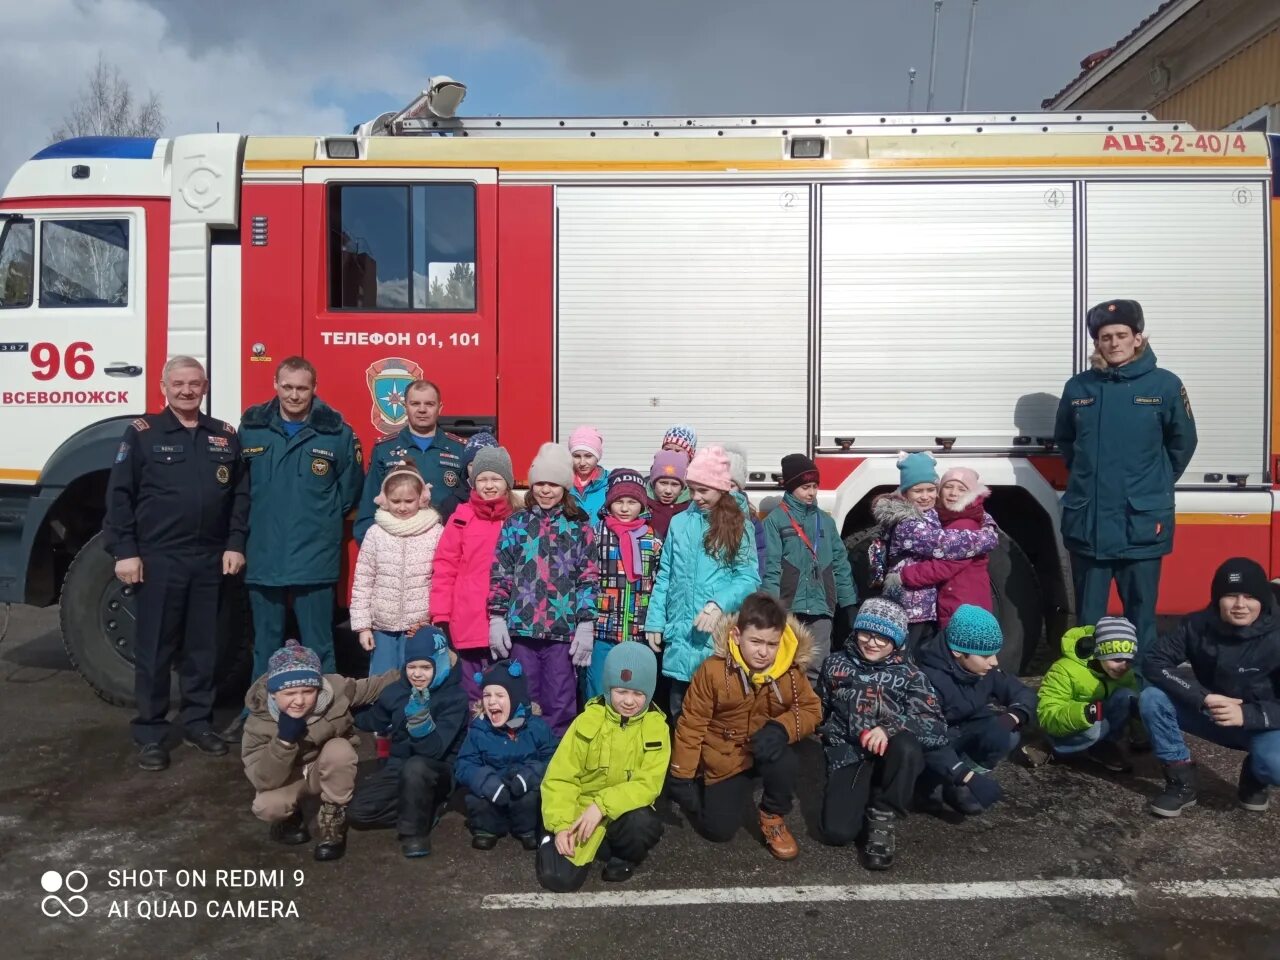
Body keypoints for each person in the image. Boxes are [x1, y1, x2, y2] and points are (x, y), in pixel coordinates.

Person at [103, 355, 249, 771]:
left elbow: (240, 495)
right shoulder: (143, 434)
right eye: (179, 383)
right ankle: (150, 731)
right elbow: (119, 496)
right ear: (163, 387)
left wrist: (235, 543)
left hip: (210, 558)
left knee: (204, 648)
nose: (187, 390)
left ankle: (198, 723)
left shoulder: (223, 435)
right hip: (159, 558)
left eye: (195, 383)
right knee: (155, 649)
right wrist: (125, 551)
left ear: (205, 387)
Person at [229, 357, 364, 744]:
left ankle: (332, 713)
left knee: (319, 643)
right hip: (264, 552)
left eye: (301, 388)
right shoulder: (251, 428)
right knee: (265, 643)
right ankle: (257, 712)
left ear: (314, 388)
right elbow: (240, 488)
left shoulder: (336, 433)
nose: (293, 395)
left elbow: (349, 489)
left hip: (314, 555)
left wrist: (317, 520)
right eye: (287, 386)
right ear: (275, 383)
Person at [1054, 299, 1198, 664]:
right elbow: (1067, 442)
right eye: (1105, 337)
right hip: (1090, 527)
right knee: (1086, 626)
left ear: (1138, 338)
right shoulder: (1078, 388)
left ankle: (1142, 700)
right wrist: (1090, 481)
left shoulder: (1165, 386)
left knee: (1142, 619)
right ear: (1096, 343)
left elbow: (1183, 442)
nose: (1114, 343)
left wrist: (1155, 484)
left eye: (1122, 335)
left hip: (1141, 526)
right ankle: (1085, 702)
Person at [666, 592, 822, 860]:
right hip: (725, 754)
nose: (764, 652)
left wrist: (782, 728)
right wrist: (682, 775)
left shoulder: (791, 671)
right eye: (756, 641)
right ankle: (709, 785)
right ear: (737, 636)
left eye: (772, 644)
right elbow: (692, 724)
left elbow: (811, 709)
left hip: (764, 746)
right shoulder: (713, 671)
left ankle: (772, 814)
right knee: (718, 831)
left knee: (786, 761)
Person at [1140, 558, 1280, 818]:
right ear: (1217, 599)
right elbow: (1154, 661)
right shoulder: (1196, 624)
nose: (1240, 605)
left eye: (1249, 596)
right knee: (1152, 698)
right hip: (1210, 711)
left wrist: (1248, 715)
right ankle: (1181, 780)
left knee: (1276, 764)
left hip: (1263, 722)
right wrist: (1202, 697)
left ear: (1262, 598)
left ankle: (1256, 774)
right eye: (1230, 596)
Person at [818, 598, 947, 870]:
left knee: (908, 748)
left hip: (893, 753)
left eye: (883, 637)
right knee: (836, 833)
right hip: (850, 753)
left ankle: (884, 812)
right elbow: (820, 707)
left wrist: (889, 728)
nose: (872, 643)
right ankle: (860, 794)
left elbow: (935, 727)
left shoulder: (912, 675)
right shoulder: (834, 664)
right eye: (866, 633)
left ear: (897, 641)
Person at [241, 640, 397, 861]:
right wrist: (284, 741)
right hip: (287, 778)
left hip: (323, 767)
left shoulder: (336, 690)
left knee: (340, 750)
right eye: (290, 693)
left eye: (308, 691)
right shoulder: (258, 722)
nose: (299, 700)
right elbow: (263, 780)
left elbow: (375, 686)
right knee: (267, 805)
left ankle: (333, 815)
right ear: (273, 693)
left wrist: (420, 669)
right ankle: (289, 818)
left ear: (319, 687)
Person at [537, 643, 669, 890]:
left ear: (649, 692)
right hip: (580, 810)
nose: (629, 701)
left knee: (644, 823)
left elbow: (648, 784)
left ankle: (623, 856)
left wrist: (602, 805)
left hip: (619, 812)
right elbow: (560, 778)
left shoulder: (657, 728)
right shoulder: (587, 720)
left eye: (638, 694)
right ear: (608, 687)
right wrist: (562, 824)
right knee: (557, 879)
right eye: (621, 691)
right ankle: (548, 833)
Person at [644, 445, 762, 719]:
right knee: (679, 713)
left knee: (715, 716)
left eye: (703, 490)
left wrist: (718, 604)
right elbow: (666, 574)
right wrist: (655, 619)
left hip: (716, 638)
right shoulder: (679, 522)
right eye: (693, 489)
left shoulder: (738, 524)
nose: (696, 497)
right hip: (681, 634)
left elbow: (748, 576)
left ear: (721, 488)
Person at [489, 443, 597, 735]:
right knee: (524, 696)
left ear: (564, 487)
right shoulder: (517, 524)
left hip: (562, 633)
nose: (546, 490)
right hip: (522, 630)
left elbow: (588, 576)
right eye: (540, 483)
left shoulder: (580, 527)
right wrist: (497, 616)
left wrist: (586, 622)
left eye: (553, 484)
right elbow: (501, 572)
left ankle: (555, 760)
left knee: (560, 700)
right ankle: (524, 755)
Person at [347, 628, 468, 857]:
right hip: (399, 767)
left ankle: (414, 833)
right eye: (412, 667)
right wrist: (343, 714)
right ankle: (422, 808)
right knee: (358, 813)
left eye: (426, 667)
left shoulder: (454, 698)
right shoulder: (397, 691)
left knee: (416, 767)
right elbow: (373, 720)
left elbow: (434, 750)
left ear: (440, 664)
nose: (417, 674)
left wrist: (420, 721)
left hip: (436, 770)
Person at [916, 605, 1037, 815]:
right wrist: (962, 773)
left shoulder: (981, 669)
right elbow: (927, 740)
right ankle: (931, 784)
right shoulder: (927, 680)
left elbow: (1022, 692)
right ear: (958, 652)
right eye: (986, 655)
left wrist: (1013, 716)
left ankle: (957, 786)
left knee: (1005, 735)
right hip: (932, 745)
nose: (994, 662)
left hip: (962, 734)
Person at [874, 451, 997, 654]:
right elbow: (941, 544)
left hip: (926, 605)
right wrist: (987, 537)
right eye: (918, 491)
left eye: (931, 490)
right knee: (909, 656)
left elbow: (972, 512)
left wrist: (987, 521)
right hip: (910, 605)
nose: (925, 496)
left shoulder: (933, 514)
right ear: (905, 494)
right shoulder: (909, 523)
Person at [430, 445, 522, 703]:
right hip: (468, 617)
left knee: (505, 686)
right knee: (472, 689)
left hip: (507, 620)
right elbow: (444, 567)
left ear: (507, 483)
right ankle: (474, 736)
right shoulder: (460, 518)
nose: (489, 485)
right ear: (472, 482)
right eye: (482, 479)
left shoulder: (517, 519)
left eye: (495, 479)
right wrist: (441, 614)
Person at [763, 453, 858, 685]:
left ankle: (813, 715)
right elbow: (771, 567)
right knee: (784, 661)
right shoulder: (775, 520)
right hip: (788, 605)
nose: (812, 492)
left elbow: (839, 563)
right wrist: (770, 607)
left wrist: (849, 603)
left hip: (821, 605)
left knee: (818, 664)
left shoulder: (825, 522)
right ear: (791, 486)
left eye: (815, 486)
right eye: (805, 487)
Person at [349, 463, 444, 677]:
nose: (402, 507)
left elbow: (442, 579)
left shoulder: (435, 532)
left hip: (420, 624)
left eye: (409, 501)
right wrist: (363, 627)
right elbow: (363, 581)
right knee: (382, 681)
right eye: (396, 501)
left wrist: (436, 619)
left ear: (421, 499)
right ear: (384, 500)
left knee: (419, 677)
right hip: (382, 625)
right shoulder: (376, 533)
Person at [455, 659, 558, 851]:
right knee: (479, 800)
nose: (492, 701)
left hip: (523, 790)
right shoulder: (479, 729)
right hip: (494, 793)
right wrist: (484, 781)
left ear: (516, 697)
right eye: (487, 695)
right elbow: (464, 765)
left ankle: (527, 830)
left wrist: (533, 774)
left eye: (500, 695)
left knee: (533, 799)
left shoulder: (536, 727)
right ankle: (487, 830)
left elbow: (554, 758)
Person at [355, 379, 468, 540]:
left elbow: (470, 507)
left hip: (445, 545)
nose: (422, 410)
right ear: (405, 407)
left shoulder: (460, 450)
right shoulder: (384, 449)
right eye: (415, 403)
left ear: (439, 408)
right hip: (395, 545)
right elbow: (368, 509)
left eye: (429, 404)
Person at [586, 468, 663, 700]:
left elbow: (660, 581)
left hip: (639, 631)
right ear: (609, 503)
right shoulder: (596, 535)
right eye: (619, 501)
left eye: (631, 502)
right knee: (599, 689)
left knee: (635, 692)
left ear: (642, 504)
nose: (625, 507)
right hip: (603, 630)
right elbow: (587, 577)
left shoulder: (653, 538)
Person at [1038, 617, 1141, 773]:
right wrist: (1083, 714)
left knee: (1127, 696)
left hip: (1097, 720)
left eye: (1129, 660)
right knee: (1098, 727)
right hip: (1068, 727)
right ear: (1099, 652)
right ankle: (1052, 747)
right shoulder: (1064, 670)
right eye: (1117, 659)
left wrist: (1142, 730)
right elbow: (1046, 714)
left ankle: (1105, 745)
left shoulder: (1125, 673)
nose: (1124, 666)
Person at [895, 467, 993, 630]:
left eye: (962, 489)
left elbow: (945, 566)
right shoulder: (951, 518)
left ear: (972, 495)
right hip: (958, 602)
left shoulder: (964, 525)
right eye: (948, 487)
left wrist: (905, 575)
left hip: (963, 605)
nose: (953, 493)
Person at [722, 442, 767, 579]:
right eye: (722, 483)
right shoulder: (705, 513)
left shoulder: (750, 519)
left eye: (732, 485)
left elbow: (760, 553)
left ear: (740, 487)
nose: (726, 490)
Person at [647, 450, 690, 539]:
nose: (668, 491)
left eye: (675, 484)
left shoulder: (689, 509)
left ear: (683, 487)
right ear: (653, 483)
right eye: (663, 483)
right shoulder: (643, 506)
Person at [568, 425, 608, 520]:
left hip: (599, 534)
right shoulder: (562, 483)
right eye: (577, 456)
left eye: (588, 456)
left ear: (597, 457)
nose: (582, 463)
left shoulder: (610, 481)